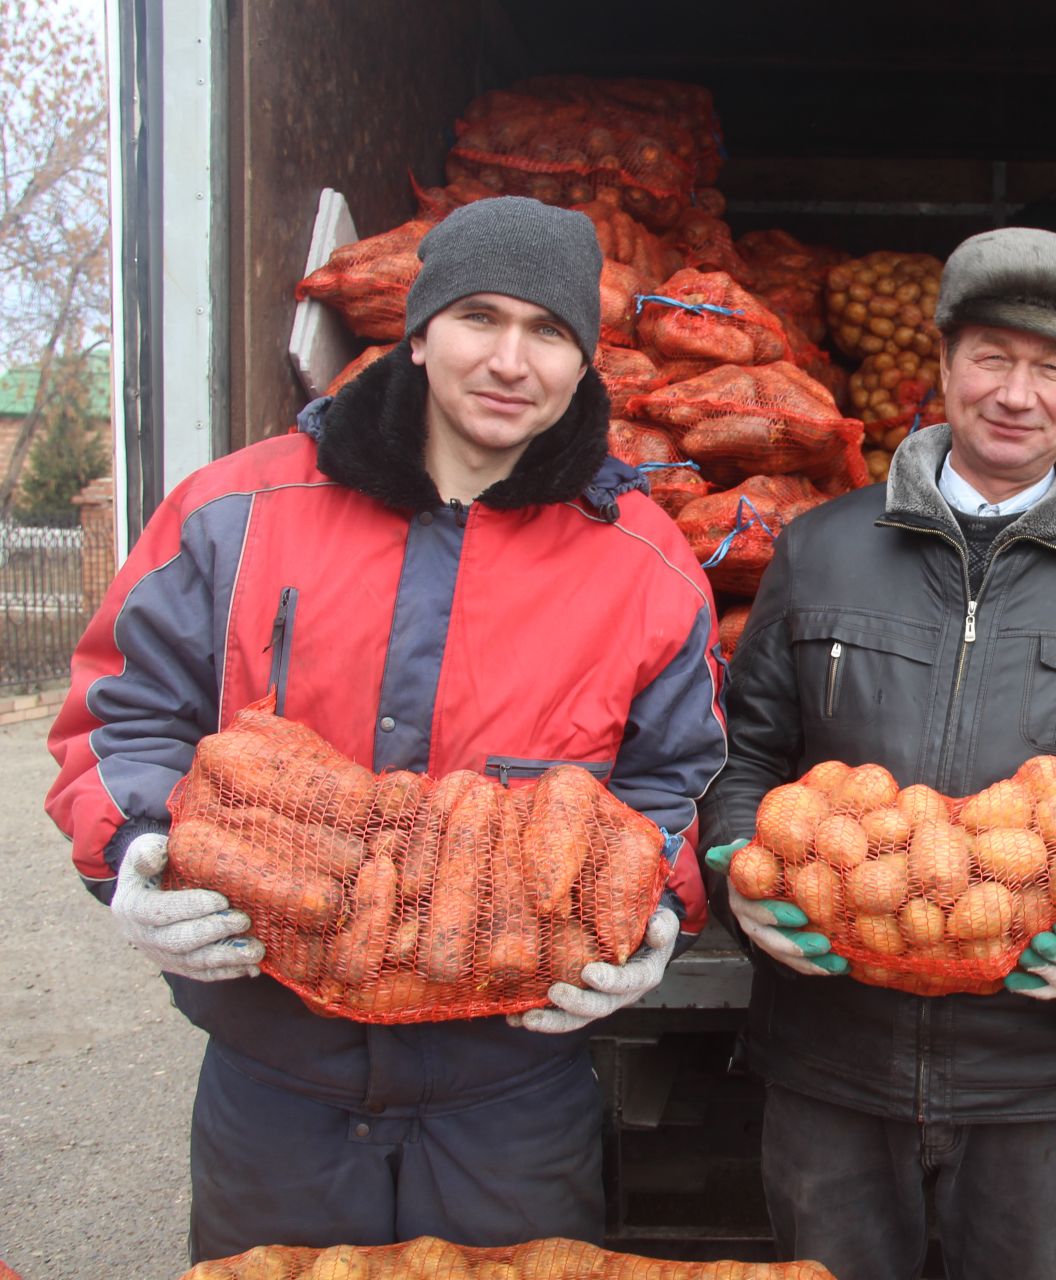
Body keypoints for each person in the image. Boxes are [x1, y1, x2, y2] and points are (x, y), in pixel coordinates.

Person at [45, 196, 728, 1260]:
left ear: (585, 363)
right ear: (417, 333)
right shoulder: (236, 509)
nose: (511, 359)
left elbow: (676, 778)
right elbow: (118, 712)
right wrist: (132, 844)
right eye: (478, 318)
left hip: (514, 1086)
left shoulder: (642, 563)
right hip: (276, 1078)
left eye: (548, 331)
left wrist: (659, 909)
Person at [698, 227, 1056, 1280]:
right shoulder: (820, 549)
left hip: (1042, 1083)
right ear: (942, 365)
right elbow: (740, 761)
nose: (1017, 393)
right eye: (992, 356)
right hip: (831, 1067)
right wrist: (736, 876)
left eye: (1053, 369)